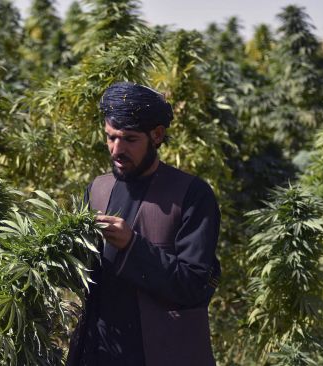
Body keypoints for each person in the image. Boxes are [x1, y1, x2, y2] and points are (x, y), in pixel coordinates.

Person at [66, 82, 221, 366]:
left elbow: (194, 286)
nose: (116, 149)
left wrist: (132, 246)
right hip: (97, 351)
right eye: (110, 138)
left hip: (161, 353)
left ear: (157, 135)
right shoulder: (98, 189)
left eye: (129, 139)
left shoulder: (191, 195)